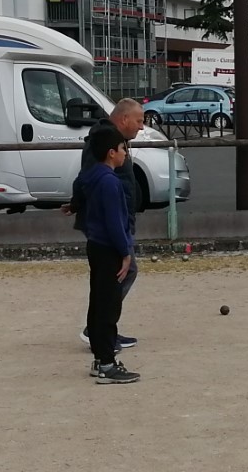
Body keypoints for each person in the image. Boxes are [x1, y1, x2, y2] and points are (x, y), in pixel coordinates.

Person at [65, 98, 145, 349]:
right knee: (120, 272)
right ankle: (99, 330)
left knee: (116, 275)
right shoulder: (103, 142)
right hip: (108, 222)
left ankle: (104, 328)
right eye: (139, 121)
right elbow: (86, 177)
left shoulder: (112, 140)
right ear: (124, 119)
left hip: (118, 218)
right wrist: (77, 203)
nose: (141, 127)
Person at [76, 125, 140, 384]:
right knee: (109, 306)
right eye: (123, 148)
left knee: (98, 302)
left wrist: (73, 205)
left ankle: (99, 358)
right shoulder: (110, 182)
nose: (125, 153)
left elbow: (79, 186)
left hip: (95, 245)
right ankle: (106, 364)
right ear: (112, 152)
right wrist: (125, 252)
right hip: (109, 248)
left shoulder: (92, 175)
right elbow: (115, 222)